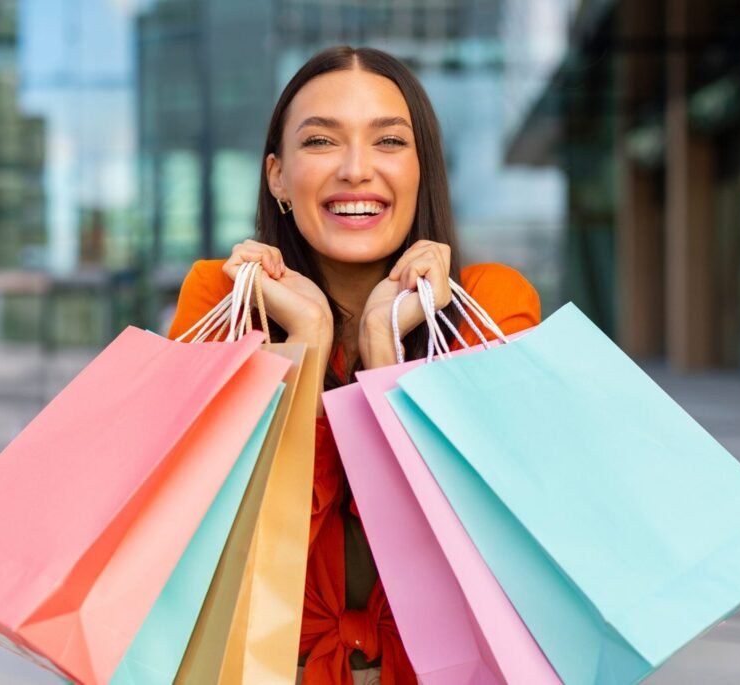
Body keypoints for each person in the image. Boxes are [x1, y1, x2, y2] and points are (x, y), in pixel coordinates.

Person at [168, 45, 541, 685]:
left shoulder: (491, 307)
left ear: (423, 170)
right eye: (321, 142)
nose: (356, 170)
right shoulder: (221, 304)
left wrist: (382, 353)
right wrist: (306, 346)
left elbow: (485, 551)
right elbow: (214, 551)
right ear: (278, 177)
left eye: (389, 141)